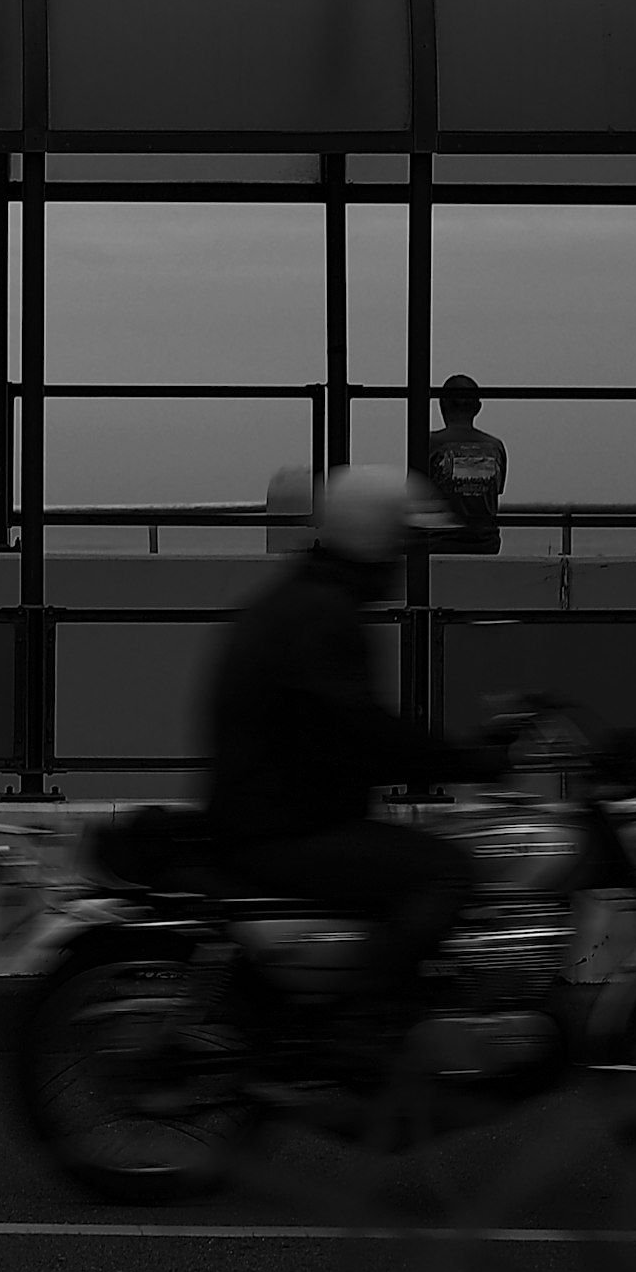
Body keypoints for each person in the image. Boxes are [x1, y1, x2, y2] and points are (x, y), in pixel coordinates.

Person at [198, 463, 504, 997]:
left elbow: (351, 731)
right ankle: (373, 1020)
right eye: (402, 545)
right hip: (285, 828)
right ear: (376, 538)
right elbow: (363, 732)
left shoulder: (304, 598)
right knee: (446, 871)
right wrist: (469, 761)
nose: (404, 562)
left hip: (273, 815)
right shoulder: (323, 615)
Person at [422, 374, 508, 554]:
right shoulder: (495, 447)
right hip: (487, 546)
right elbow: (494, 493)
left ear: (442, 404)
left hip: (439, 546)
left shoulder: (429, 444)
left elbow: (414, 494)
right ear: (478, 408)